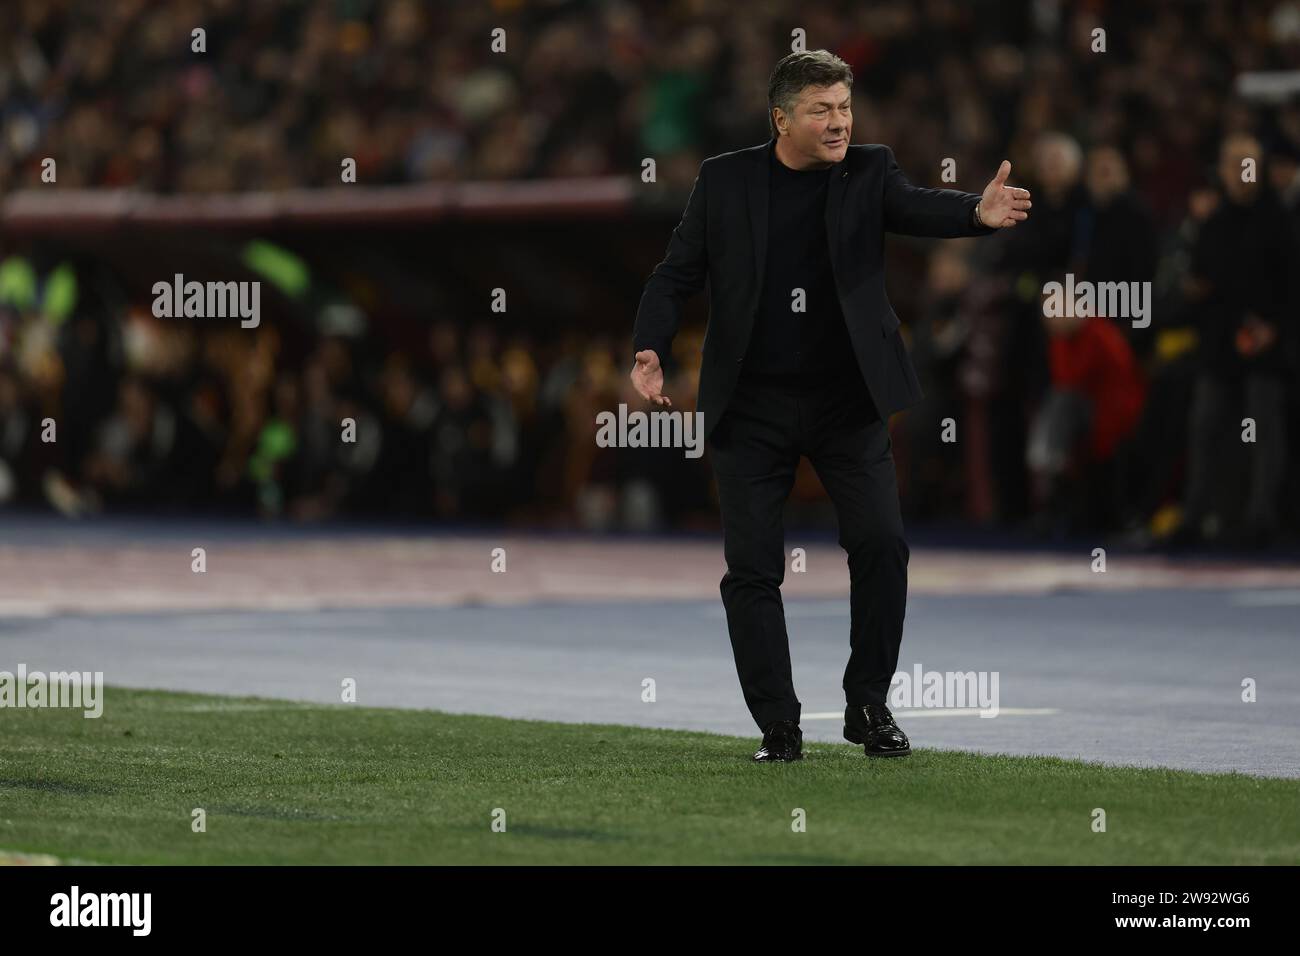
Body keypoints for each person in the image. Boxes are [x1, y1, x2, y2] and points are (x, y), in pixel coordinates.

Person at [629, 50, 1030, 761]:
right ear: (781, 119)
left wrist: (975, 212)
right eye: (822, 109)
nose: (839, 121)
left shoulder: (869, 169)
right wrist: (650, 347)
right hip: (750, 407)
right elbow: (674, 274)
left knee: (882, 544)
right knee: (752, 569)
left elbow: (915, 207)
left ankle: (869, 707)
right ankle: (779, 725)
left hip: (849, 400)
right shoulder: (725, 180)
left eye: (844, 107)